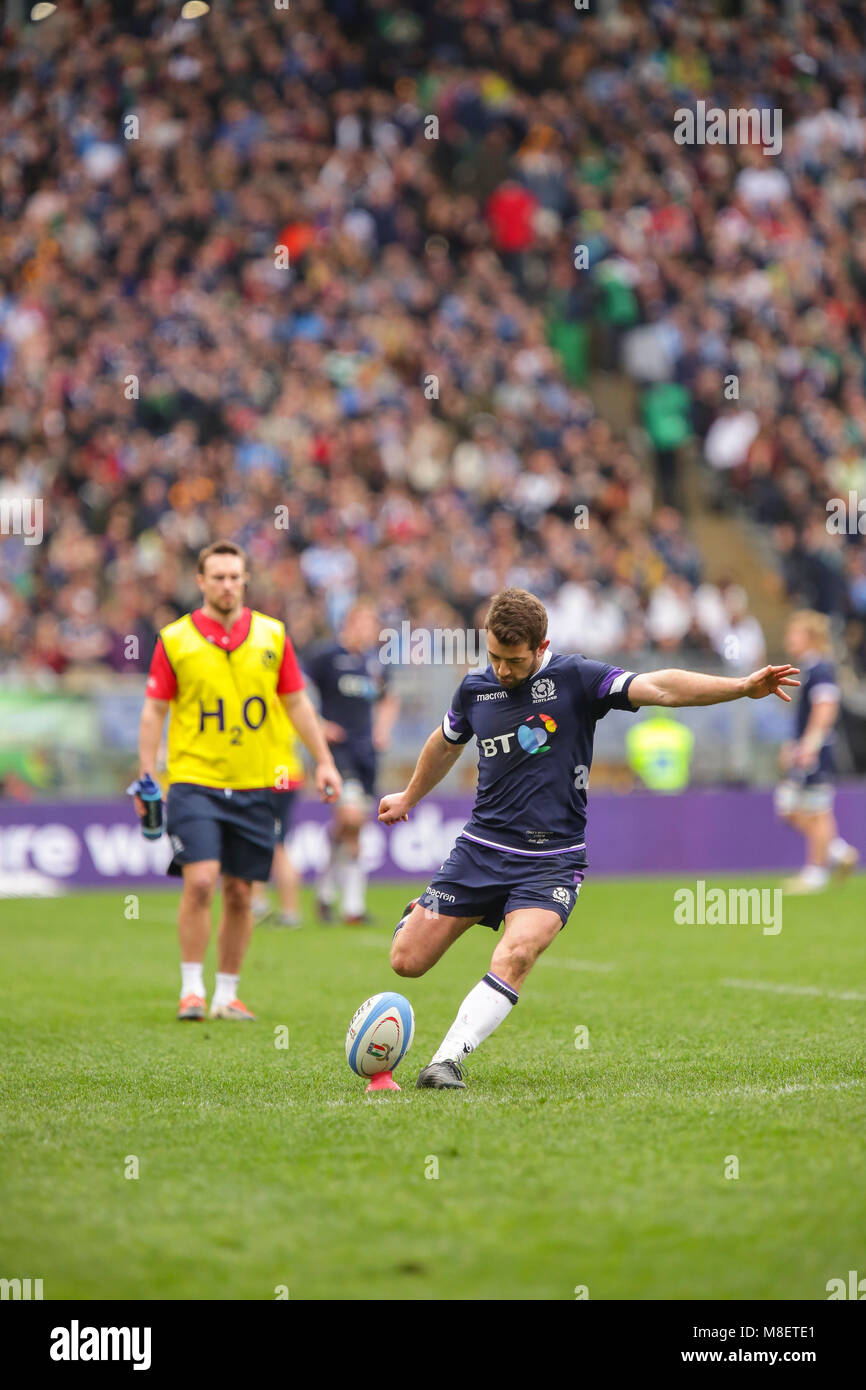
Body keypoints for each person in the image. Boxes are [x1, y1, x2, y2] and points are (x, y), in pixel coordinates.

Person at [379, 587, 800, 1091]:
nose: (502, 671)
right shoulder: (474, 689)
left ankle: (445, 1061)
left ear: (541, 647)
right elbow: (445, 743)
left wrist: (740, 687)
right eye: (493, 656)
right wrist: (408, 797)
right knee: (407, 962)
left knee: (516, 955)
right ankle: (419, 913)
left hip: (551, 863)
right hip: (480, 850)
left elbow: (661, 687)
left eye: (513, 661)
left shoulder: (577, 679)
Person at [135, 540, 342, 1021]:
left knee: (240, 892)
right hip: (193, 781)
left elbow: (296, 703)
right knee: (202, 881)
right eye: (218, 577)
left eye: (235, 576)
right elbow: (153, 710)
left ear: (244, 580)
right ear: (201, 582)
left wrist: (324, 761)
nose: (227, 585)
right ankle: (191, 989)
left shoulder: (272, 636)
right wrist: (147, 775)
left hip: (256, 785)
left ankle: (226, 994)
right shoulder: (174, 640)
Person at [302, 600, 400, 925]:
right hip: (336, 751)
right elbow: (295, 692)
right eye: (364, 623)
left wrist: (382, 730)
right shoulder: (326, 656)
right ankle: (353, 907)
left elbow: (390, 699)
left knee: (349, 825)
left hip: (365, 752)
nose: (370, 630)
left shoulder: (375, 663)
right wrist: (319, 724)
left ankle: (326, 894)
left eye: (373, 625)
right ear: (348, 624)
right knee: (353, 818)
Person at [774, 610, 859, 894]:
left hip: (816, 752)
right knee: (789, 807)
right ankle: (838, 852)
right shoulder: (810, 669)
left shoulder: (821, 669)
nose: (789, 639)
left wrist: (808, 746)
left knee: (817, 811)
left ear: (810, 637)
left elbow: (826, 709)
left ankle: (816, 872)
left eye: (794, 634)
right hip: (807, 749)